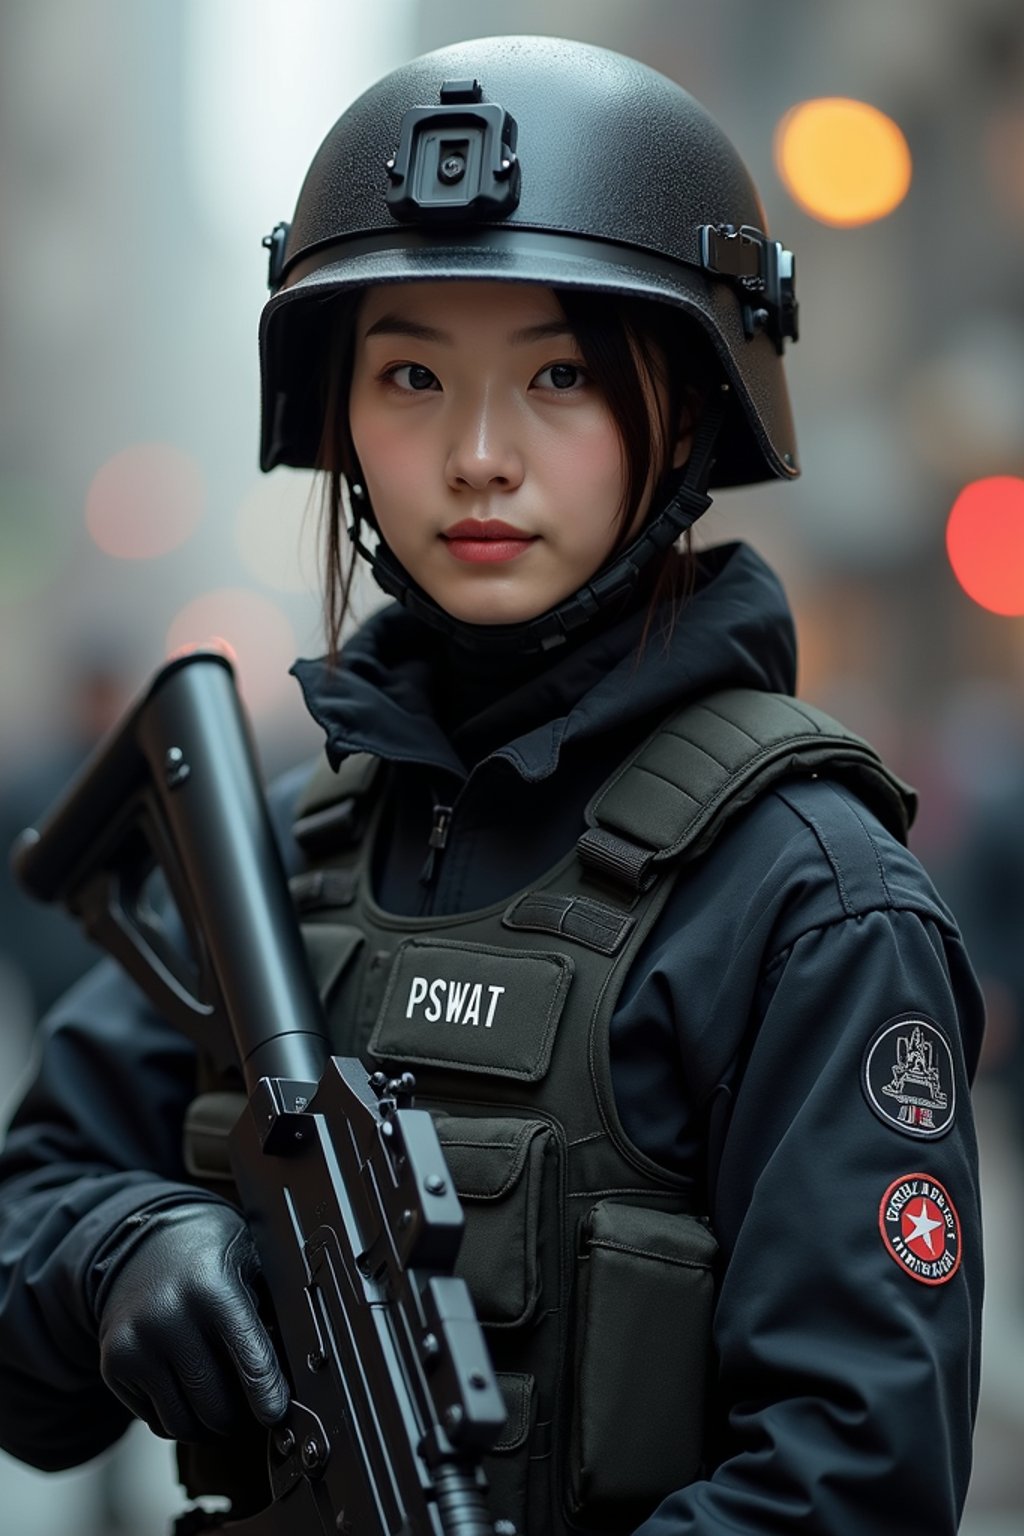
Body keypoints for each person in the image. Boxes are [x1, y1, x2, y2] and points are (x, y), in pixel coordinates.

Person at [0, 34, 984, 1536]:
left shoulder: (808, 901)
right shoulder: (281, 857)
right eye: (409, 374)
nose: (476, 456)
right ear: (339, 415)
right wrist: (121, 1249)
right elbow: (31, 1255)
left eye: (561, 374)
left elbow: (854, 1480)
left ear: (690, 409)